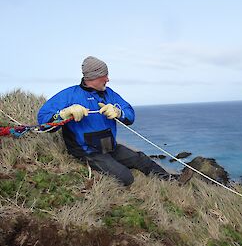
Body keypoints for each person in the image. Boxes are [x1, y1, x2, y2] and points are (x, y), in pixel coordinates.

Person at [38, 56, 191, 186]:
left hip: (110, 147)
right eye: (105, 76)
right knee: (126, 177)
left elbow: (130, 115)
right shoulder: (69, 95)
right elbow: (43, 121)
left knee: (142, 159)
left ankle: (172, 181)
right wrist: (64, 114)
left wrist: (119, 112)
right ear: (93, 77)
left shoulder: (109, 94)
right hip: (87, 152)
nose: (108, 79)